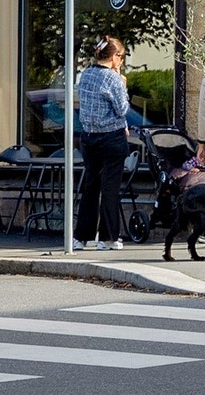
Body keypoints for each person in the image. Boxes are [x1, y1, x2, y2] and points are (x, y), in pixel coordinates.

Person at [73, 36, 130, 251]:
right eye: (121, 57)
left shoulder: (86, 75)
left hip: (89, 137)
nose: (121, 62)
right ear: (114, 57)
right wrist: (123, 85)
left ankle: (80, 237)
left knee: (90, 186)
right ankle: (107, 238)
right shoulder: (113, 79)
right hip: (111, 138)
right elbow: (123, 109)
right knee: (110, 189)